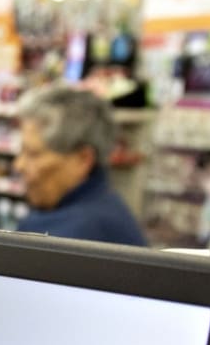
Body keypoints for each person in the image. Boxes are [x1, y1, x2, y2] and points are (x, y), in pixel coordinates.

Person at [12, 87, 147, 246]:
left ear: (83, 159)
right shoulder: (92, 210)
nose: (18, 165)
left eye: (33, 154)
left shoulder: (78, 238)